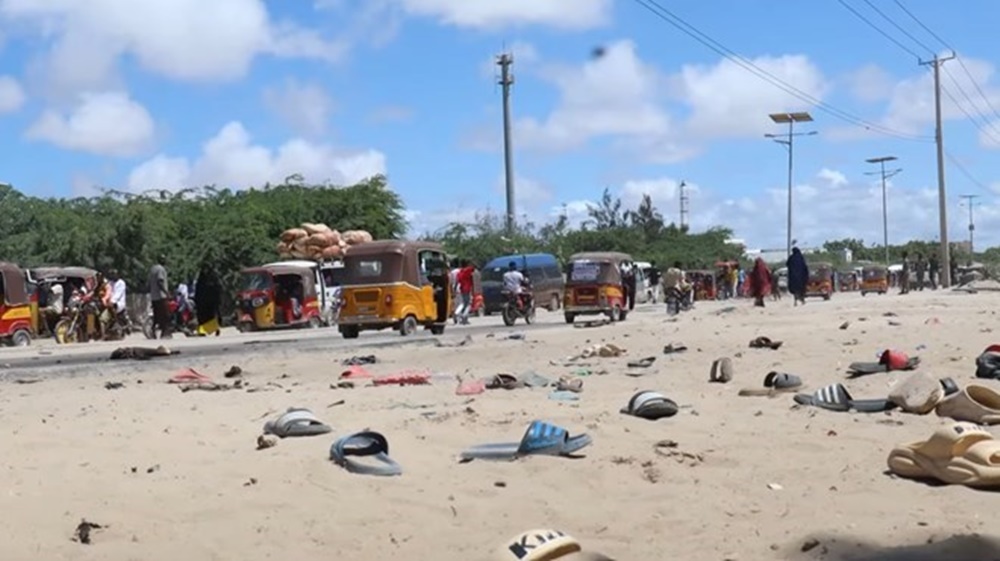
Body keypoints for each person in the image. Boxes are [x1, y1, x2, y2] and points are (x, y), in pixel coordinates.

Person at [194, 261, 222, 336]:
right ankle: (202, 331)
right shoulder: (201, 278)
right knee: (202, 317)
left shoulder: (213, 277)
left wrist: (217, 300)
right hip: (202, 302)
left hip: (211, 301)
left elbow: (218, 288)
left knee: (212, 316)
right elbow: (198, 289)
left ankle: (216, 329)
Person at [148, 255, 171, 338]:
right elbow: (160, 281)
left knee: (156, 316)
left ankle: (152, 332)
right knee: (165, 315)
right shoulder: (161, 269)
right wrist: (166, 292)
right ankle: (165, 333)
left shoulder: (153, 269)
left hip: (154, 296)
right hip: (161, 296)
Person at [454, 260, 476, 325]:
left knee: (464, 302)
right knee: (468, 304)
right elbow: (474, 267)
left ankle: (459, 314)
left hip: (462, 288)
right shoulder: (467, 271)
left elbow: (457, 281)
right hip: (467, 288)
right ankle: (462, 315)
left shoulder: (460, 272)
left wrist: (455, 288)